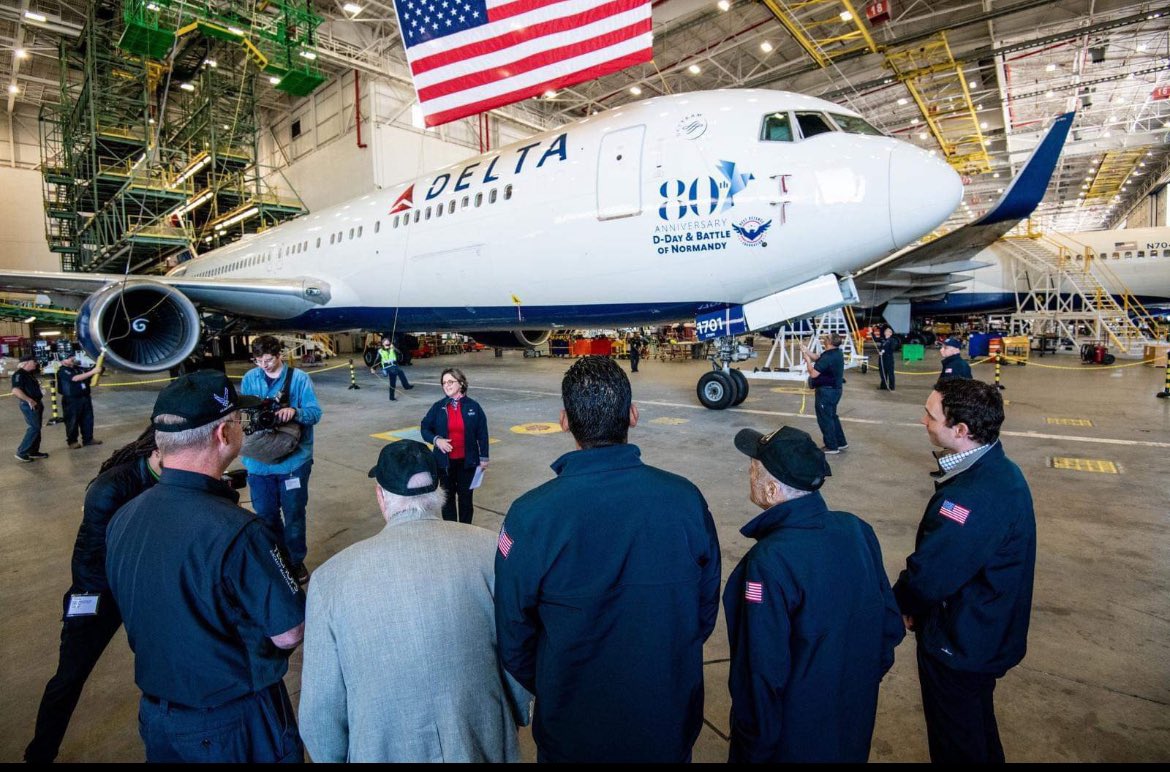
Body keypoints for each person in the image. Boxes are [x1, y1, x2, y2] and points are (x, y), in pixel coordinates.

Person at [494, 356, 721, 763]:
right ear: (633, 416)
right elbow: (704, 612)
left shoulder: (530, 516)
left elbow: (513, 636)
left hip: (573, 729)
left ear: (564, 421)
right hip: (665, 721)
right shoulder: (686, 500)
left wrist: (557, 679)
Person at [106, 371, 307, 763]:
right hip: (234, 722)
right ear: (223, 435)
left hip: (159, 718)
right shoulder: (239, 532)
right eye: (237, 420)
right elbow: (288, 632)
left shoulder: (124, 517)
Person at [300, 441, 531, 762]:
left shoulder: (330, 580)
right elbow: (517, 652)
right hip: (480, 739)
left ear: (381, 496)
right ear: (441, 489)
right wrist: (514, 716)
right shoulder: (488, 549)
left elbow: (319, 715)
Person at [725, 425, 904, 762]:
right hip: (851, 720)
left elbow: (761, 671)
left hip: (792, 738)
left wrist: (752, 746)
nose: (749, 474)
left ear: (773, 489)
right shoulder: (857, 530)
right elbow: (889, 626)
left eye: (754, 469)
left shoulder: (769, 561)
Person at [894, 378, 1036, 763]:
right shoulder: (998, 470)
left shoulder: (971, 498)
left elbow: (932, 574)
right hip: (985, 632)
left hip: (962, 642)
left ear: (960, 430)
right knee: (974, 729)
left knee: (955, 742)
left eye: (931, 414)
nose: (924, 420)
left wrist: (900, 604)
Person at [24, 428, 160, 763]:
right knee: (69, 677)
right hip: (99, 591)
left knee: (164, 666)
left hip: (141, 587)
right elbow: (89, 559)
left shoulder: (174, 477)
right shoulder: (111, 487)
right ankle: (39, 753)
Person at [240, 335, 323, 584]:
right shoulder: (249, 379)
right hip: (258, 464)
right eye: (258, 361)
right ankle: (275, 560)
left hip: (293, 463)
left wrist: (295, 412)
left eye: (268, 360)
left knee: (294, 513)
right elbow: (243, 415)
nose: (264, 366)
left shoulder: (299, 379)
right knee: (265, 514)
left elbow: (315, 413)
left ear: (279, 355)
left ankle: (295, 561)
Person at [420, 368, 488, 524]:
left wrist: (484, 459)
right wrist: (437, 440)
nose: (446, 385)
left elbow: (482, 434)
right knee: (447, 500)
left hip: (468, 463)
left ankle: (466, 530)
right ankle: (451, 532)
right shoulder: (438, 407)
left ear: (461, 383)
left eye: (450, 381)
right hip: (444, 465)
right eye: (444, 383)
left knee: (466, 500)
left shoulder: (474, 407)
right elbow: (424, 428)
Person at [800, 334, 848, 454]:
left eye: (826, 338)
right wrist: (807, 351)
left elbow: (813, 374)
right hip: (835, 390)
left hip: (826, 392)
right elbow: (819, 358)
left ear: (829, 343)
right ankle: (841, 442)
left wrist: (808, 361)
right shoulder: (835, 353)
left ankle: (831, 446)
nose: (824, 339)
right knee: (832, 416)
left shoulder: (828, 357)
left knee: (825, 419)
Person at [56, 354, 102, 449]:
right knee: (72, 421)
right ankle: (72, 441)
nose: (72, 359)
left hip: (85, 397)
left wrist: (99, 366)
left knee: (88, 419)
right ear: (62, 361)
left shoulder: (78, 368)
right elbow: (75, 378)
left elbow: (87, 375)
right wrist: (93, 372)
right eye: (68, 358)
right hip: (72, 400)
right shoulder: (63, 371)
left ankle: (88, 439)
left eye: (72, 357)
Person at [11, 354, 48, 462]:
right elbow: (15, 390)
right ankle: (22, 452)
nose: (35, 363)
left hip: (36, 403)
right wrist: (29, 400)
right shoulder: (19, 374)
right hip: (29, 405)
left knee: (37, 428)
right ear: (26, 363)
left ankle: (33, 451)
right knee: (34, 428)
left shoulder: (29, 374)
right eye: (33, 361)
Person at [369, 335, 413, 401]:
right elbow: (377, 360)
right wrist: (373, 368)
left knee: (401, 372)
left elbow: (400, 354)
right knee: (393, 379)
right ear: (383, 344)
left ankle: (406, 386)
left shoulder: (392, 348)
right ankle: (391, 397)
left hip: (394, 365)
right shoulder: (380, 351)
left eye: (388, 342)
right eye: (386, 342)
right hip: (387, 367)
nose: (387, 343)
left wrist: (394, 348)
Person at [877, 327, 899, 391]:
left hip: (889, 359)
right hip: (882, 359)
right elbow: (875, 339)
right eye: (885, 331)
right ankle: (883, 386)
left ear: (890, 333)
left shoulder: (892, 340)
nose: (886, 332)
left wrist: (884, 351)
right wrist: (871, 332)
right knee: (882, 372)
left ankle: (892, 387)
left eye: (888, 331)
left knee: (890, 373)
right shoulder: (882, 339)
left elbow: (892, 349)